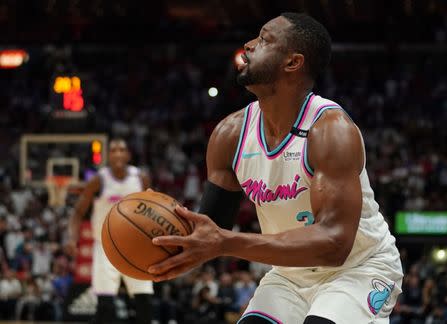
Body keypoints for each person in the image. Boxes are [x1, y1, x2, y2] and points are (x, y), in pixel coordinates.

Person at [146, 12, 403, 324]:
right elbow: (210, 230)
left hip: (359, 268)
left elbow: (334, 245)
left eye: (265, 39)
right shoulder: (230, 135)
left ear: (292, 63)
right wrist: (162, 233)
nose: (249, 45)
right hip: (290, 275)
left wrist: (225, 242)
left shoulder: (330, 130)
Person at [68, 138, 153, 324]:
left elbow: (153, 211)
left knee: (144, 299)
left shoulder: (141, 178)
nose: (118, 154)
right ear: (107, 155)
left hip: (135, 246)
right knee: (105, 302)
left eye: (122, 150)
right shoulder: (99, 180)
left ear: (129, 155)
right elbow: (78, 212)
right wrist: (71, 238)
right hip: (105, 245)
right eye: (113, 150)